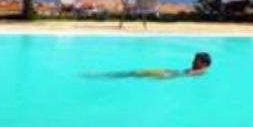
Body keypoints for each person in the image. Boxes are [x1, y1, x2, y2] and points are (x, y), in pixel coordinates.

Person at [84, 52, 212, 79]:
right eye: (194, 59)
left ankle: (101, 75)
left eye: (196, 60)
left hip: (168, 74)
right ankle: (103, 75)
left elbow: (189, 74)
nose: (193, 61)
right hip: (167, 72)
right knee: (134, 73)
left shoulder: (203, 70)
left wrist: (166, 77)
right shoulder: (201, 70)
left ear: (204, 63)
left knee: (134, 74)